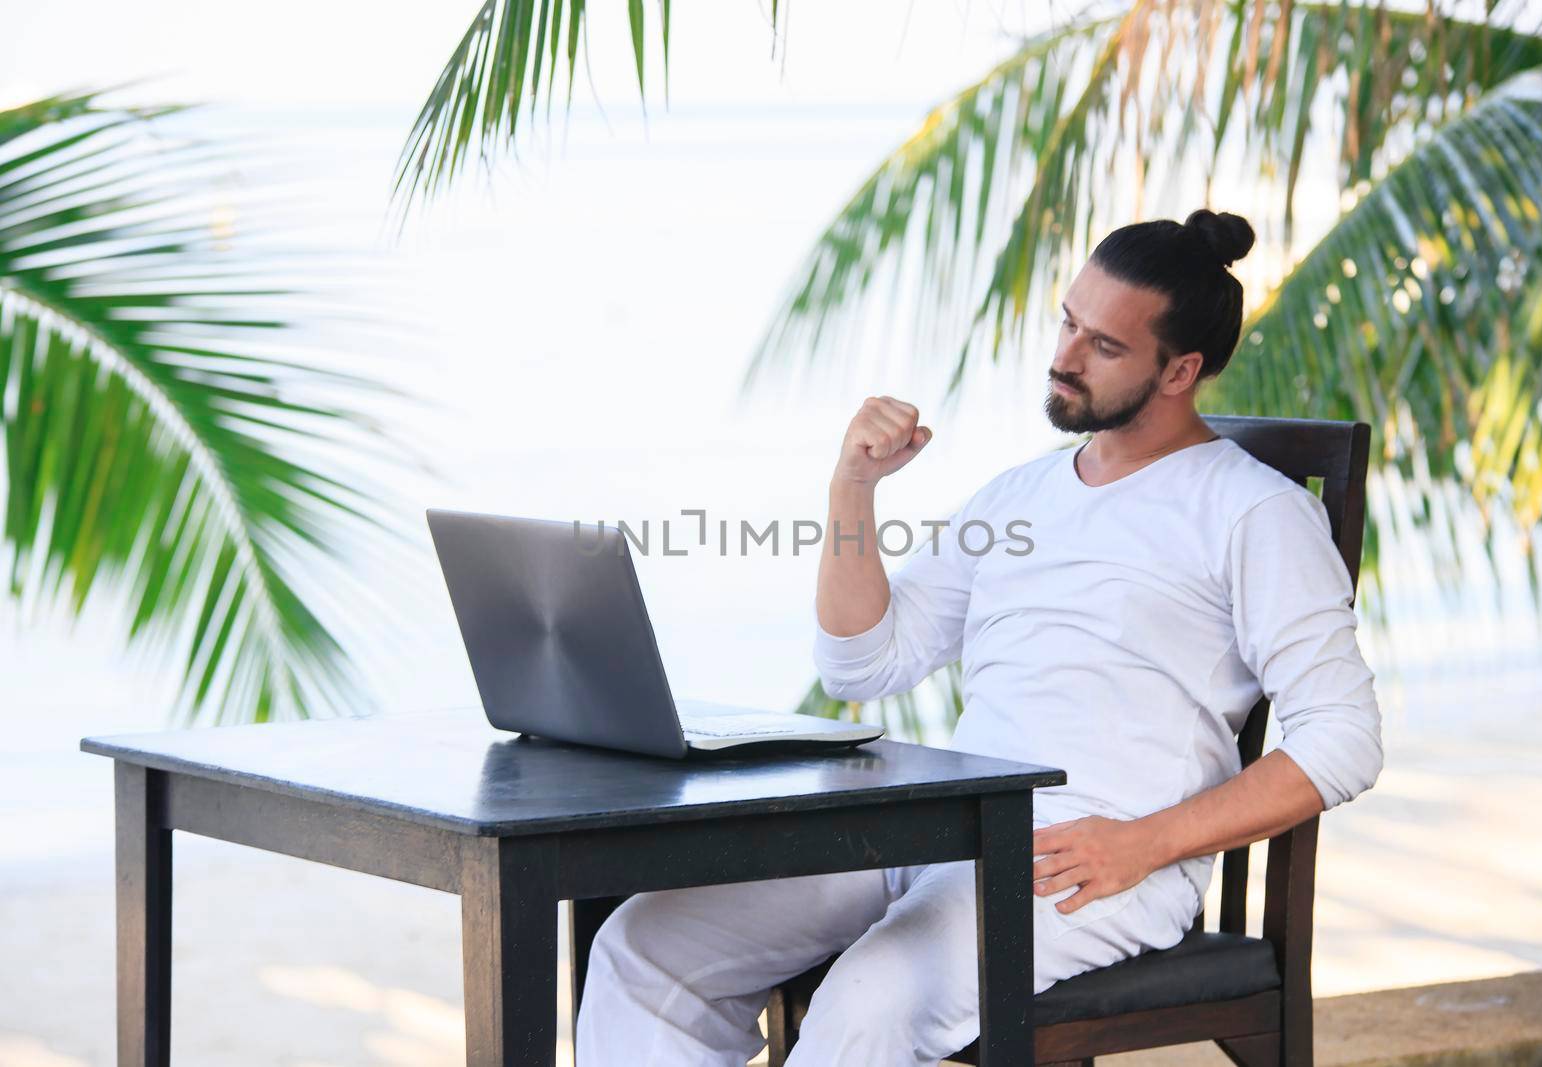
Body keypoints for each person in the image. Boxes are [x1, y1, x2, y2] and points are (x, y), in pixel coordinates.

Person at [575, 209, 1384, 1066]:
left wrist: (1144, 842)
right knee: (648, 944)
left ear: (1181, 369)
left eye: (1104, 346)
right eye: (1068, 321)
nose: (1065, 356)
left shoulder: (1255, 513)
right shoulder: (1018, 495)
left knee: (868, 1002)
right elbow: (863, 659)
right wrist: (854, 485)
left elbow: (1344, 740)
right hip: (944, 829)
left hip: (1088, 864)